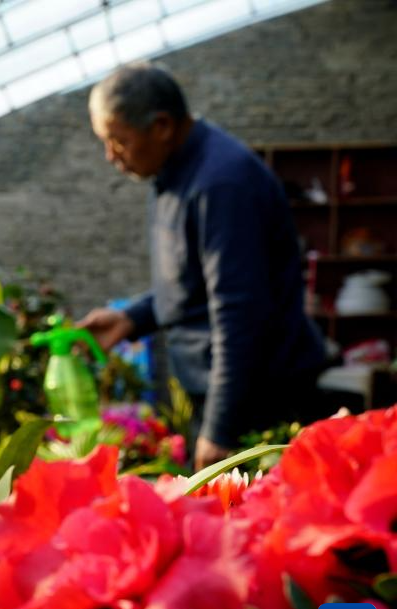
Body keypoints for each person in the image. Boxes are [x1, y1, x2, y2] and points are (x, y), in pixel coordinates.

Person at [79, 62, 326, 469]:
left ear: (161, 126)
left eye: (118, 141)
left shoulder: (221, 183)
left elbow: (239, 311)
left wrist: (221, 428)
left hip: (258, 399)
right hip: (224, 393)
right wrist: (131, 319)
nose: (111, 157)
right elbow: (193, 283)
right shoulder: (174, 174)